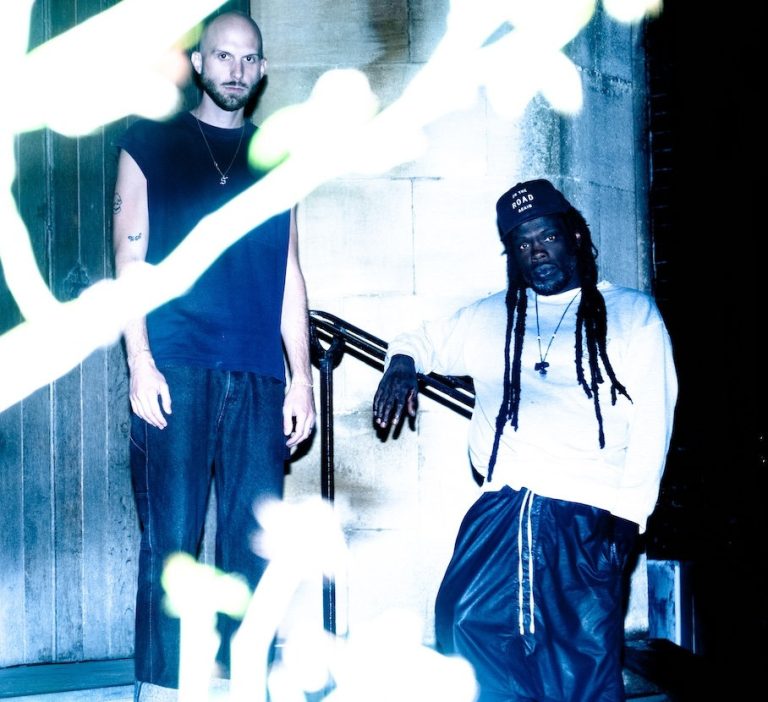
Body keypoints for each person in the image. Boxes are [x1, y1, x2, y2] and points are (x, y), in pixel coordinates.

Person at [373, 179, 677, 702]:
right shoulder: (491, 314)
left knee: (578, 666)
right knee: (464, 630)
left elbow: (655, 420)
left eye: (547, 237)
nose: (536, 252)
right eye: (522, 243)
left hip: (586, 512)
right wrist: (401, 363)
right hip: (502, 510)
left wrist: (629, 521)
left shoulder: (631, 313)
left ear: (575, 236)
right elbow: (419, 339)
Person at [112, 11, 316, 701]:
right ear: (199, 63)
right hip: (176, 364)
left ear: (262, 69)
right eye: (222, 56)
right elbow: (130, 259)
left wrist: (302, 378)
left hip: (258, 373)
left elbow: (289, 272)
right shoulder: (149, 143)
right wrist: (140, 360)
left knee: (252, 542)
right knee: (171, 540)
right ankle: (162, 689)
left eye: (248, 58)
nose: (236, 68)